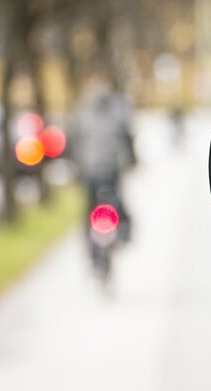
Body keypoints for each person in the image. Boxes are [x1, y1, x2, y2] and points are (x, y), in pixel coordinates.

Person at [71, 74, 135, 268]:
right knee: (119, 203)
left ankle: (91, 252)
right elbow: (127, 143)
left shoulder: (82, 118)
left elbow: (75, 145)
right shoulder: (116, 119)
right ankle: (125, 233)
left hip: (90, 173)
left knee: (88, 211)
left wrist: (77, 169)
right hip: (110, 171)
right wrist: (131, 162)